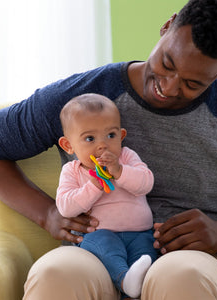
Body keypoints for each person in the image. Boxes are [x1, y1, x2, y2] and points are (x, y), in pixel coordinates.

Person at [0, 0, 217, 299]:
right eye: (167, 63)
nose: (169, 87)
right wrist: (47, 214)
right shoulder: (85, 97)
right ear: (166, 26)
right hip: (94, 248)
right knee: (55, 275)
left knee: (182, 278)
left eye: (193, 84)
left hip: (189, 259)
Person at [56, 93, 157, 298]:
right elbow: (65, 206)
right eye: (90, 138)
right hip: (99, 234)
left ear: (121, 135)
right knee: (105, 247)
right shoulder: (72, 170)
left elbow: (146, 183)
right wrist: (93, 186)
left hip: (140, 233)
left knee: (146, 257)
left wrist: (119, 171)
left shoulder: (127, 157)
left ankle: (133, 287)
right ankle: (123, 278)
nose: (103, 145)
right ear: (69, 145)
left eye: (110, 135)